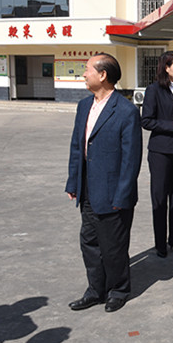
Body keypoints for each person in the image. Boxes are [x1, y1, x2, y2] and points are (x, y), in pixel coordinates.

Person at [65, 53, 142, 313]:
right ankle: (95, 290)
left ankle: (118, 290)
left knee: (114, 247)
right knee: (89, 242)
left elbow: (131, 160)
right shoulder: (84, 106)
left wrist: (122, 196)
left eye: (87, 69)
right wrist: (73, 182)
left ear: (103, 75)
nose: (84, 74)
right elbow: (77, 147)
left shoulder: (126, 111)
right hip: (88, 189)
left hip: (113, 193)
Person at [141, 51, 173, 258]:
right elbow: (146, 121)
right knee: (160, 198)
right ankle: (160, 243)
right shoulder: (153, 90)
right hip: (161, 151)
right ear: (166, 67)